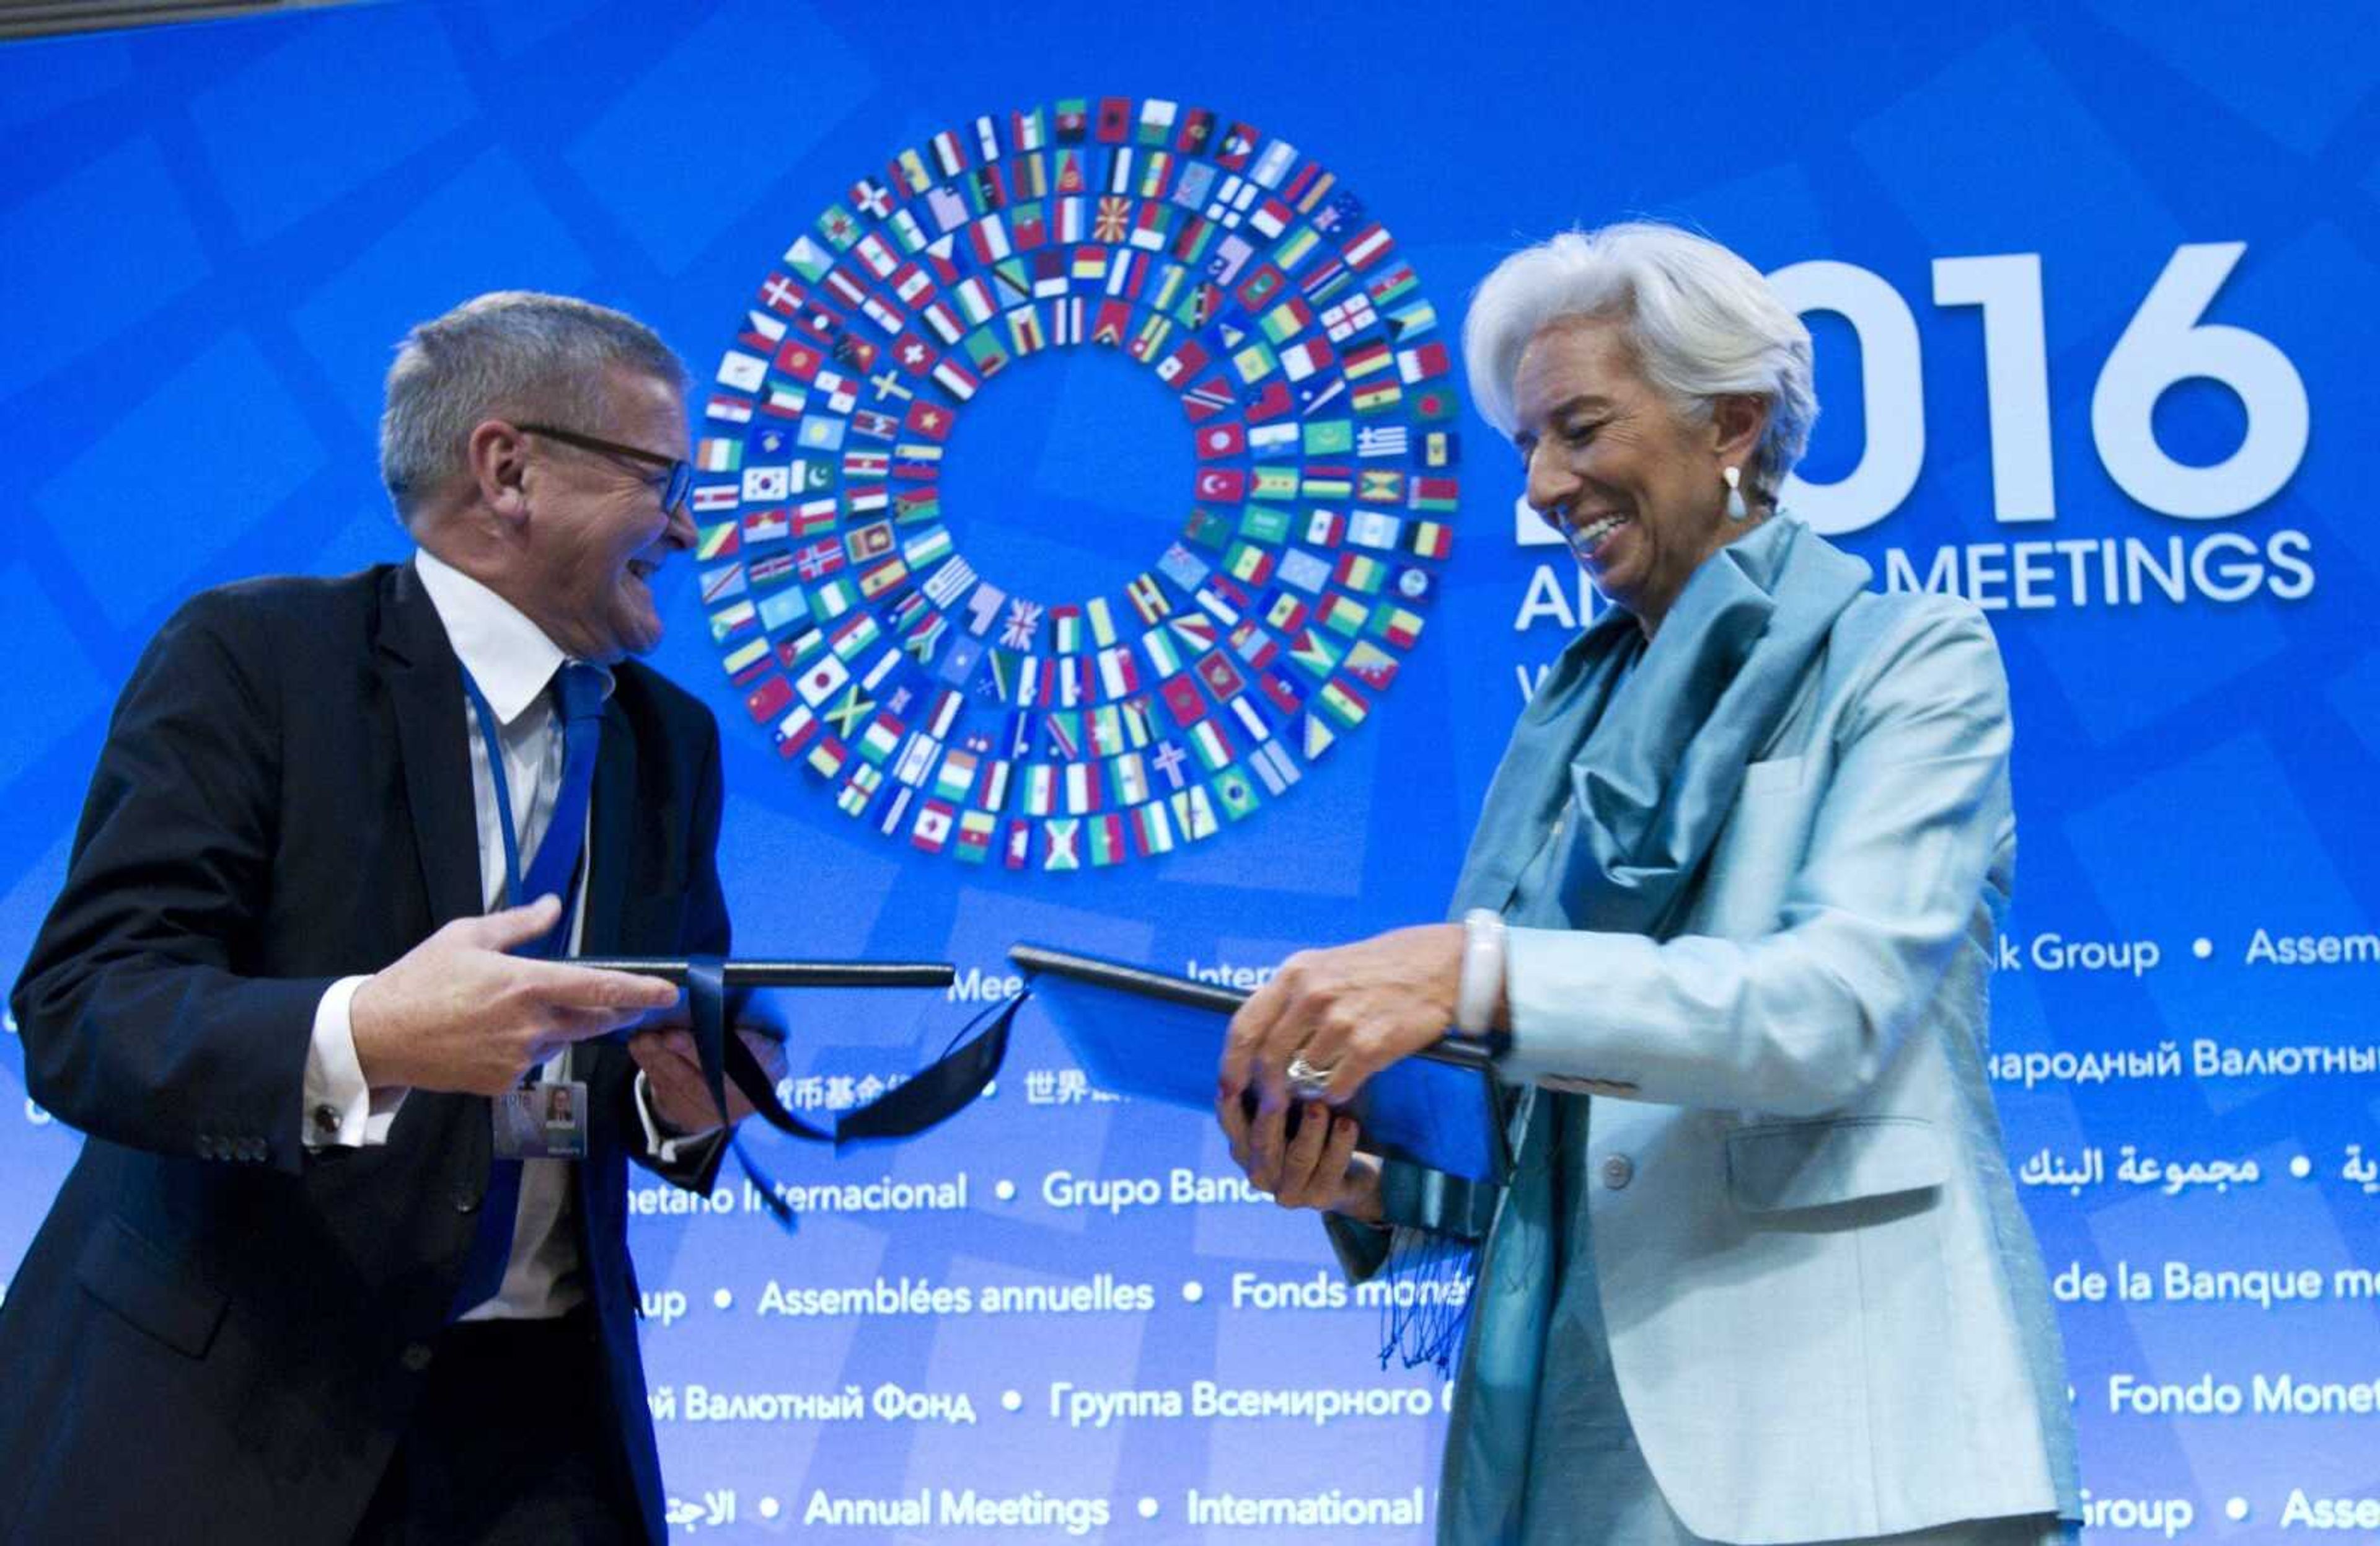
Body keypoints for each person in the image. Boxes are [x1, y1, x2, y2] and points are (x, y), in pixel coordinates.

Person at [1217, 224, 2081, 1544]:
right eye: (1527, 446)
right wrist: (1366, 1179)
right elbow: (1555, 1140)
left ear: (1731, 421)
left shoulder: (1910, 662)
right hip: (1581, 1438)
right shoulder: (1571, 717)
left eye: (1580, 427)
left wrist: (1469, 974)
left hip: (1857, 1448)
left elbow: (1826, 1013)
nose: (1547, 484)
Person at [1, 292, 782, 1544]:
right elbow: (87, 1007)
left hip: (543, 1445)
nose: (686, 525)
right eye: (659, 476)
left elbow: (609, 1073)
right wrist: (366, 1036)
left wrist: (684, 1100)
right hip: (237, 1412)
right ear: (507, 467)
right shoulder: (257, 658)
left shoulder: (663, 740)